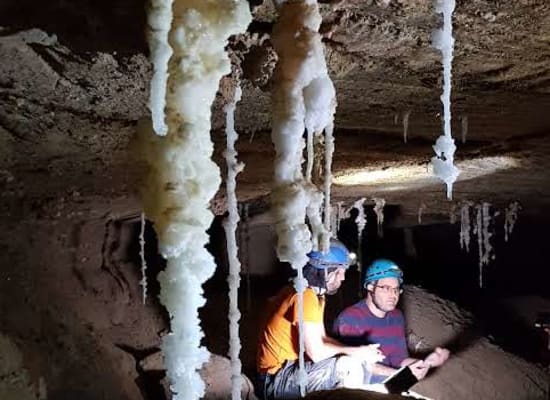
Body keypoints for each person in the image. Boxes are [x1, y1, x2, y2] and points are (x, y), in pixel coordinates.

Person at [255, 240, 385, 400]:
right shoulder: (304, 295)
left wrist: (360, 351)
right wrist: (356, 352)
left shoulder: (313, 295)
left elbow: (322, 339)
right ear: (324, 271)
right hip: (275, 380)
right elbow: (316, 353)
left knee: (352, 360)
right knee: (348, 365)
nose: (343, 278)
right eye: (339, 271)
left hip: (285, 372)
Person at [333, 258, 450, 384]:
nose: (393, 295)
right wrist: (400, 374)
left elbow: (399, 360)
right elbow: (356, 366)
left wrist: (423, 363)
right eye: (386, 288)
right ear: (371, 287)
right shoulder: (350, 318)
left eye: (396, 289)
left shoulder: (396, 317)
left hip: (389, 385)